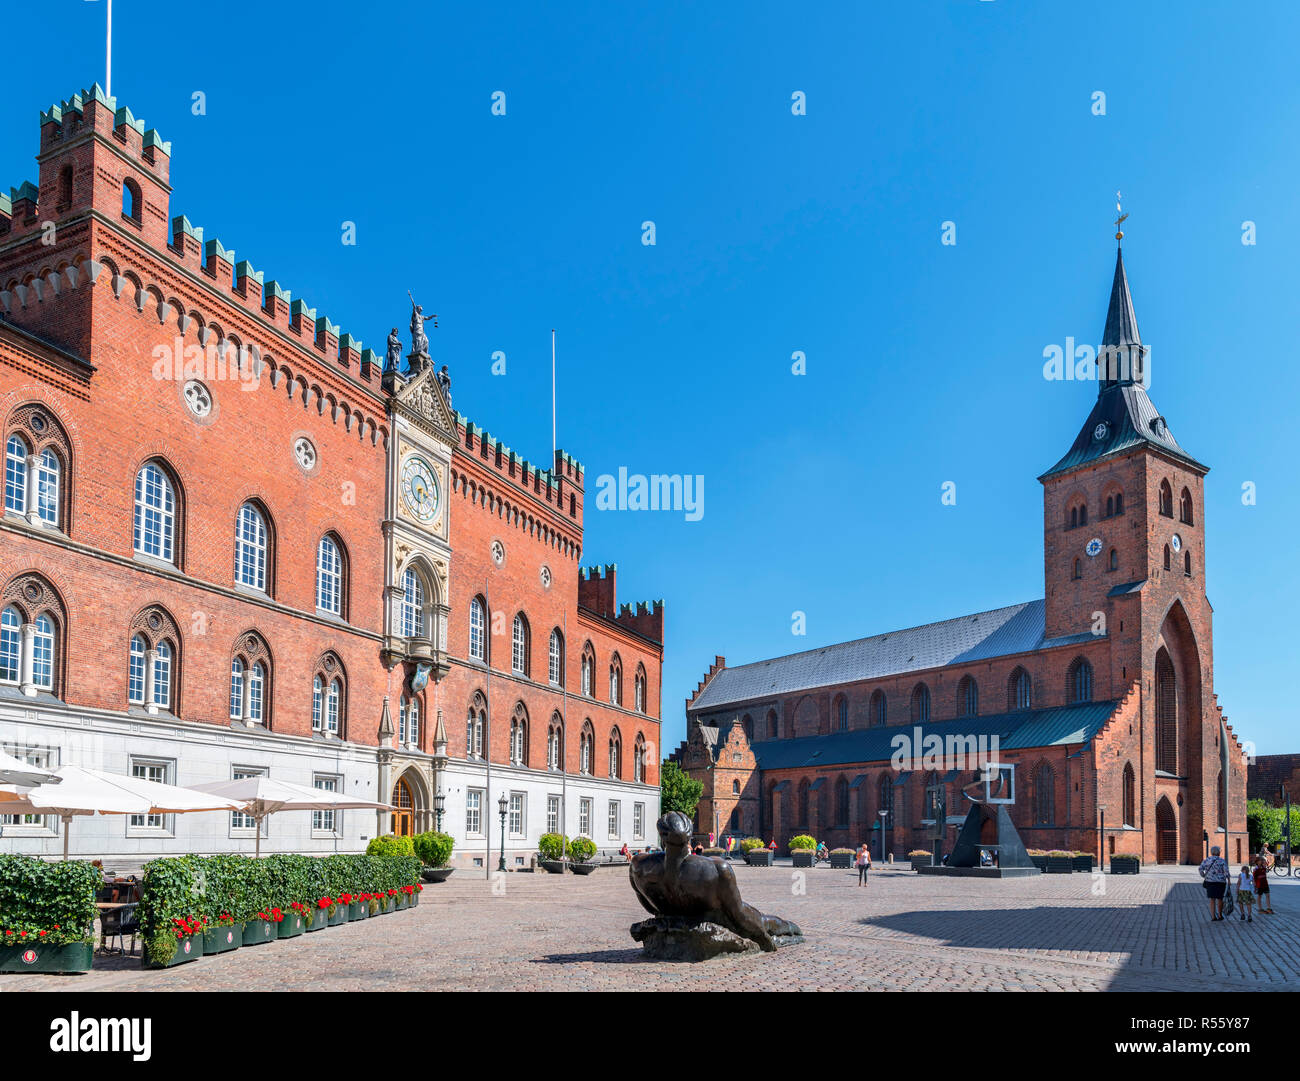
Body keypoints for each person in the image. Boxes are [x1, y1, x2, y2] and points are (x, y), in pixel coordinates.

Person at [1198, 845, 1229, 921]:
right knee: (1220, 898)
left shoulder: (1207, 860)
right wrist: (1229, 880)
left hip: (1210, 881)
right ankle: (1220, 915)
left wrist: (1204, 875)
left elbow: (1200, 868)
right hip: (1220, 882)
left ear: (1212, 852)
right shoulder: (1222, 860)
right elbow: (1226, 871)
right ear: (1218, 852)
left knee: (1212, 899)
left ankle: (1213, 916)